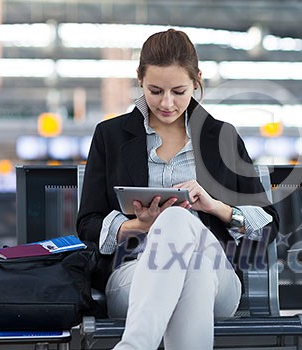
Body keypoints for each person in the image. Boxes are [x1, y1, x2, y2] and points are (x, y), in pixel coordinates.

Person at [76, 29, 279, 350]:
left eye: (179, 91)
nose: (166, 103)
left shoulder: (222, 138)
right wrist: (138, 226)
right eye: (155, 91)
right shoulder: (111, 136)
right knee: (189, 268)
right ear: (139, 79)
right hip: (134, 274)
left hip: (218, 277)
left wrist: (215, 207)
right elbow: (87, 224)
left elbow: (267, 227)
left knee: (178, 224)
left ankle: (135, 345)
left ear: (197, 80)